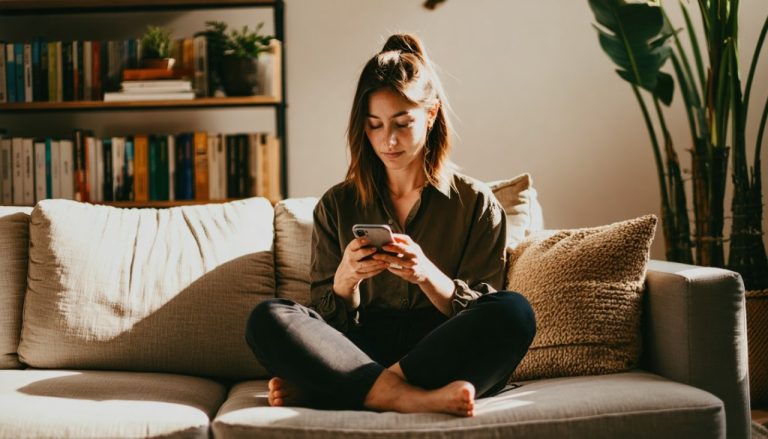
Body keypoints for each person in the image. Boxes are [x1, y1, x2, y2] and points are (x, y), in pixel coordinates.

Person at [246, 33, 535, 417]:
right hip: (359, 348)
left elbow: (483, 309)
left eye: (402, 123)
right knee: (267, 318)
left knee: (514, 311)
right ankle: (405, 397)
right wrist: (345, 282)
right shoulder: (336, 204)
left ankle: (344, 389)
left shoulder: (476, 203)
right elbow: (327, 320)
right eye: (375, 125)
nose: (389, 140)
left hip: (437, 351)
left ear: (431, 115)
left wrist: (428, 276)